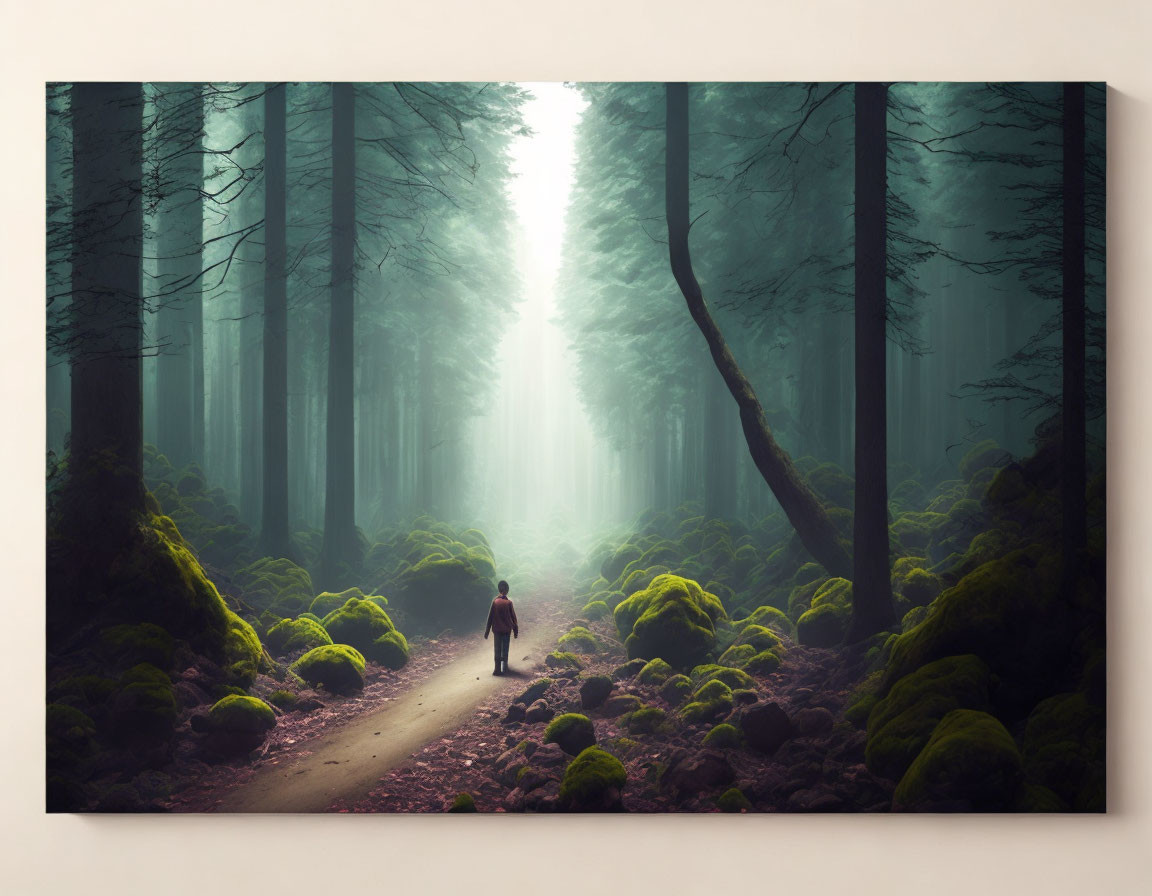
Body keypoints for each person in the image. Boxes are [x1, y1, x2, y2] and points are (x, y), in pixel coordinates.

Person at [484, 580, 519, 676]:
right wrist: (516, 631)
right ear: (507, 590)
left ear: (499, 589)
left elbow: (490, 617)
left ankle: (497, 669)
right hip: (507, 630)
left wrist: (487, 631)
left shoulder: (495, 602)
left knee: (497, 649)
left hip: (497, 630)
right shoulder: (509, 603)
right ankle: (505, 668)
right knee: (505, 649)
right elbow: (514, 618)